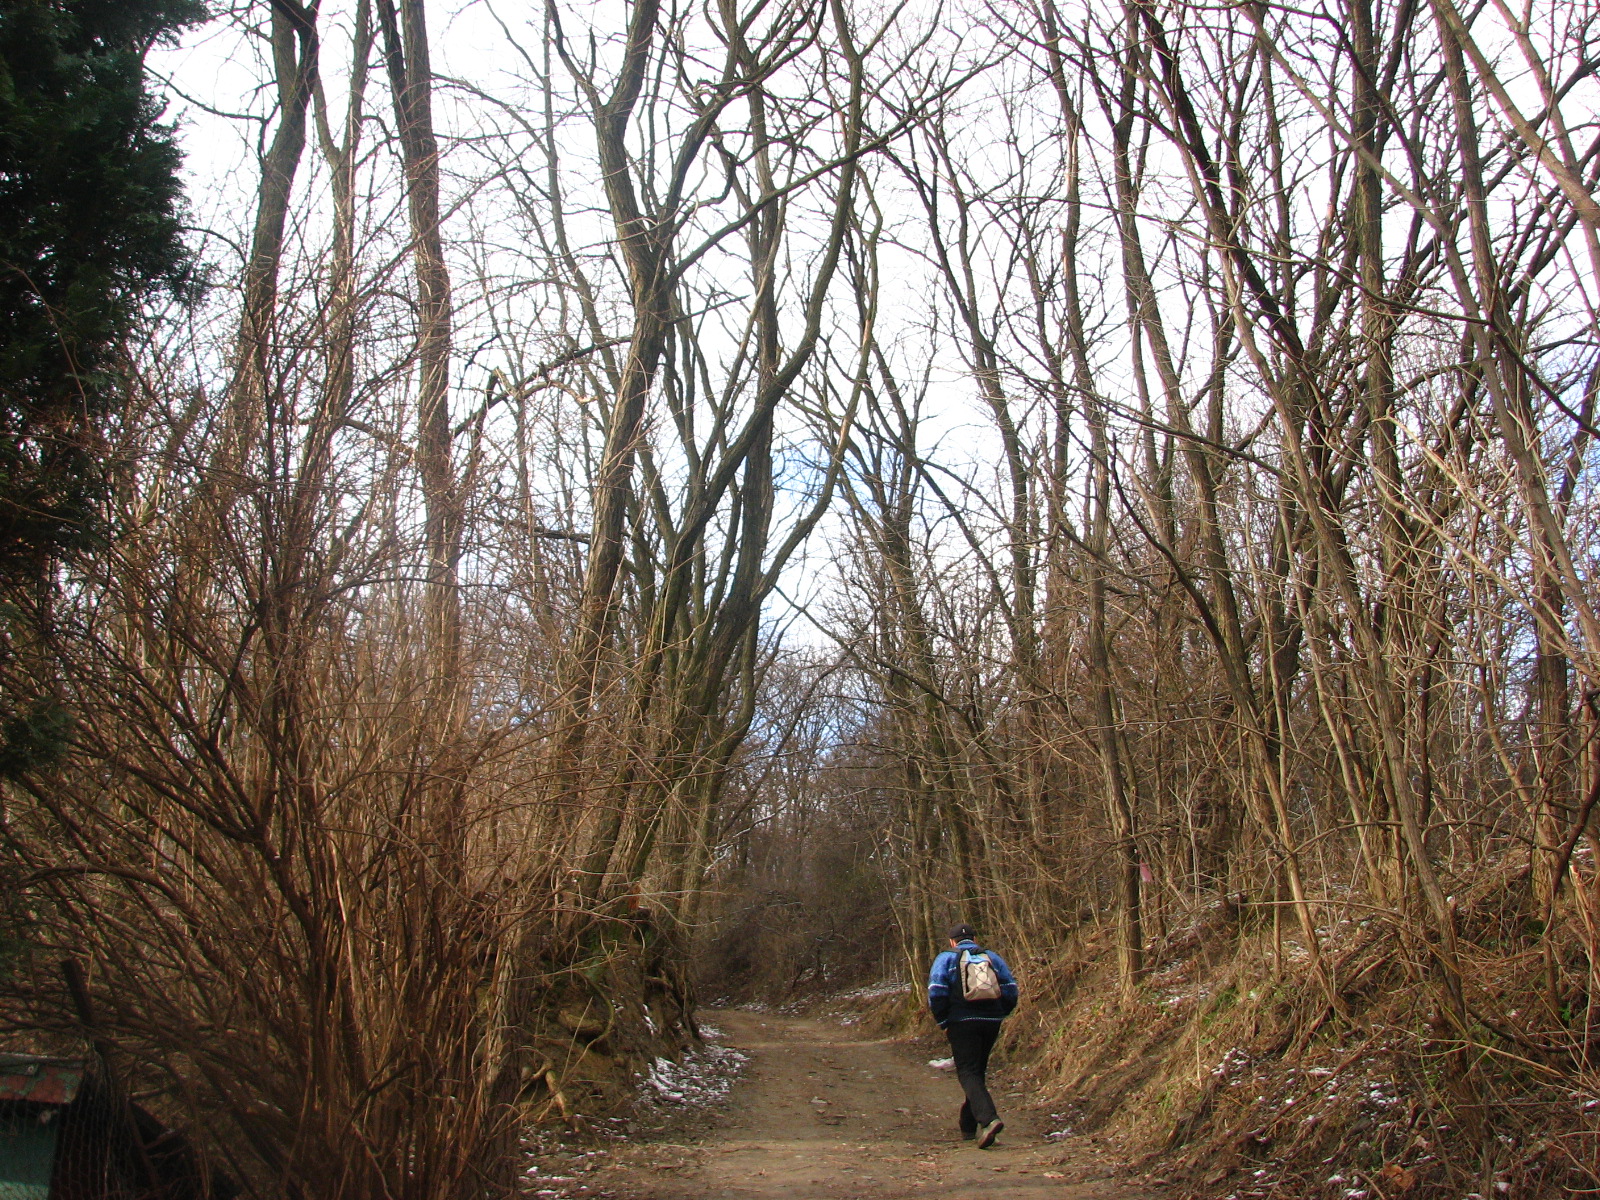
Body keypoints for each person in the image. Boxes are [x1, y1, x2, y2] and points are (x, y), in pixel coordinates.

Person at [927, 923, 1019, 1148]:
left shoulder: (946, 959)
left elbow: (936, 991)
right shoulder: (992, 957)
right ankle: (967, 1126)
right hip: (991, 1022)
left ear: (952, 941)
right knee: (977, 1071)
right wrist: (1000, 1013)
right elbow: (1010, 988)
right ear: (974, 939)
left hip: (962, 1022)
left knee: (968, 1072)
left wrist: (943, 1021)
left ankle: (989, 1120)